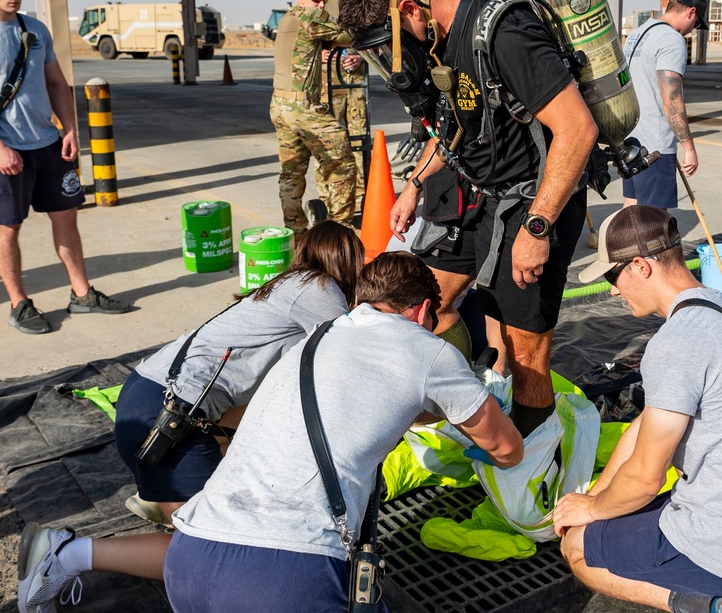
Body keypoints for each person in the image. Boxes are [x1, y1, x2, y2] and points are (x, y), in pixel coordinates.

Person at [15, 221, 365, 612]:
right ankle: (66, 554)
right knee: (211, 553)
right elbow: (352, 355)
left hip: (148, 397)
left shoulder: (282, 288)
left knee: (224, 519)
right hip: (168, 418)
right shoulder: (318, 288)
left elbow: (258, 406)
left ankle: (164, 495)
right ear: (347, 261)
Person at [162, 252, 523, 611]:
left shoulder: (318, 338)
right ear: (422, 310)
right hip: (284, 570)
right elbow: (507, 448)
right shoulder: (427, 349)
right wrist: (488, 424)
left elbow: (377, 405)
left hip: (191, 553)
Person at [338, 0, 597, 437]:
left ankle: (532, 475)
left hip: (532, 201)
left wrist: (536, 228)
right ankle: (466, 405)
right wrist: (415, 184)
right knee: (409, 302)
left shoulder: (502, 30)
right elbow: (458, 131)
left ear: (410, 10)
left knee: (525, 355)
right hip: (477, 196)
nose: (387, 61)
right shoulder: (439, 42)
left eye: (384, 46)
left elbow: (578, 130)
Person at [552, 205, 722, 613]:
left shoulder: (677, 343)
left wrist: (591, 511)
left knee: (577, 547)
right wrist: (595, 496)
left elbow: (644, 482)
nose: (612, 291)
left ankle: (710, 605)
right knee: (602, 513)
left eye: (611, 276)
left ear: (640, 266)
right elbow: (643, 424)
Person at [0, 0, 130, 334]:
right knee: (8, 226)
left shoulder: (35, 29)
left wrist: (69, 129)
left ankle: (82, 295)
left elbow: (57, 83)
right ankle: (19, 303)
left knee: (66, 217)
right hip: (3, 148)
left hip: (48, 144)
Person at [270, 0, 357, 237]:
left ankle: (296, 234)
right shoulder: (310, 18)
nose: (320, 5)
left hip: (279, 106)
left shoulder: (289, 19)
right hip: (302, 109)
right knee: (341, 161)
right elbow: (347, 36)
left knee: (291, 173)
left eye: (324, 1)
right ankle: (340, 232)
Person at [622, 0, 704, 209]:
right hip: (656, 146)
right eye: (695, 24)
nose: (691, 31)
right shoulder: (671, 40)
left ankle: (620, 245)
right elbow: (672, 99)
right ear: (691, 12)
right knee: (653, 223)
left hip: (632, 141)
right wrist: (688, 147)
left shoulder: (636, 34)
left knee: (631, 210)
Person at [322, 0, 368, 203]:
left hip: (356, 76)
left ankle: (361, 194)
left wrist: (361, 56)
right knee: (333, 137)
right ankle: (336, 193)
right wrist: (323, 54)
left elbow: (372, 34)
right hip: (331, 79)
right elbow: (311, 34)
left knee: (359, 137)